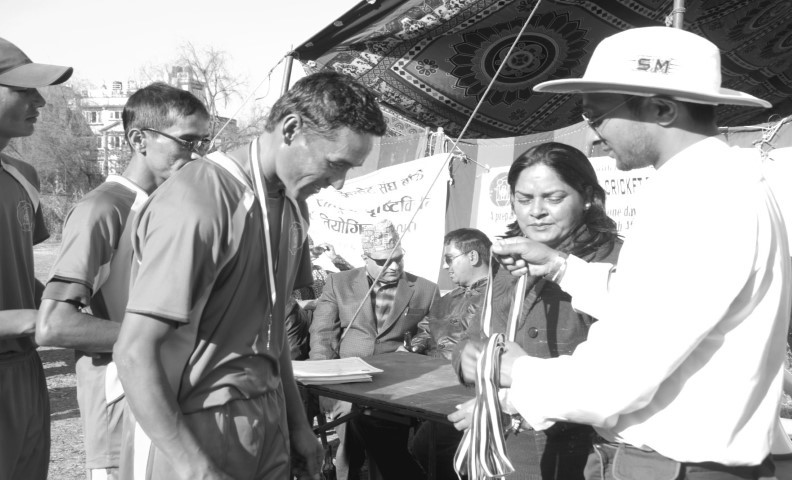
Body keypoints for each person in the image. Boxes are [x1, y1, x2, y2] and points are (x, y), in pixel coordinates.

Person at [449, 26, 790, 479]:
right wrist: (560, 267)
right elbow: (658, 306)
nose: (592, 136)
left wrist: (517, 372)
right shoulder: (717, 185)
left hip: (680, 466)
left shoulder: (703, 199)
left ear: (663, 109)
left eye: (597, 117)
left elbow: (618, 377)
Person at [113, 71, 387, 480]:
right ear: (292, 129)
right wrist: (193, 466)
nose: (338, 183)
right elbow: (135, 352)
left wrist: (297, 426)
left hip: (268, 414)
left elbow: (271, 331)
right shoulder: (200, 201)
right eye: (335, 164)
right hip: (196, 426)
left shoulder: (294, 207)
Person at [35, 82, 210, 480]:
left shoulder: (173, 206)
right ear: (138, 139)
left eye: (201, 142)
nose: (195, 154)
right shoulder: (102, 209)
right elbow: (55, 324)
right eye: (185, 141)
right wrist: (158, 338)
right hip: (118, 405)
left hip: (169, 402)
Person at [461, 142, 621, 479]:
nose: (536, 211)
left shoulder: (613, 266)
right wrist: (470, 362)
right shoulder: (508, 261)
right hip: (510, 448)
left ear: (588, 196)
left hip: (585, 452)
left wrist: (513, 397)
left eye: (553, 198)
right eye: (524, 199)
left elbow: (618, 373)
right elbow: (479, 337)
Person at [309, 218, 440, 480]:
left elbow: (433, 328)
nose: (393, 266)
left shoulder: (426, 289)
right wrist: (322, 384)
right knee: (349, 453)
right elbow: (323, 335)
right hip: (347, 383)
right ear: (364, 257)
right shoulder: (339, 283)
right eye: (383, 261)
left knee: (389, 454)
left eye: (398, 258)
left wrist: (415, 345)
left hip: (395, 386)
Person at [0, 37, 72, 480]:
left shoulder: (22, 174)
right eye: (23, 89)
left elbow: (22, 276)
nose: (40, 100)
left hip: (27, 368)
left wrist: (80, 304)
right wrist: (42, 320)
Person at [407, 227, 493, 480]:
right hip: (429, 386)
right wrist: (411, 347)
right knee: (372, 422)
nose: (446, 267)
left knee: (428, 447)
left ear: (473, 257)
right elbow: (427, 328)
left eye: (449, 259)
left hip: (468, 393)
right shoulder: (448, 298)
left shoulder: (500, 296)